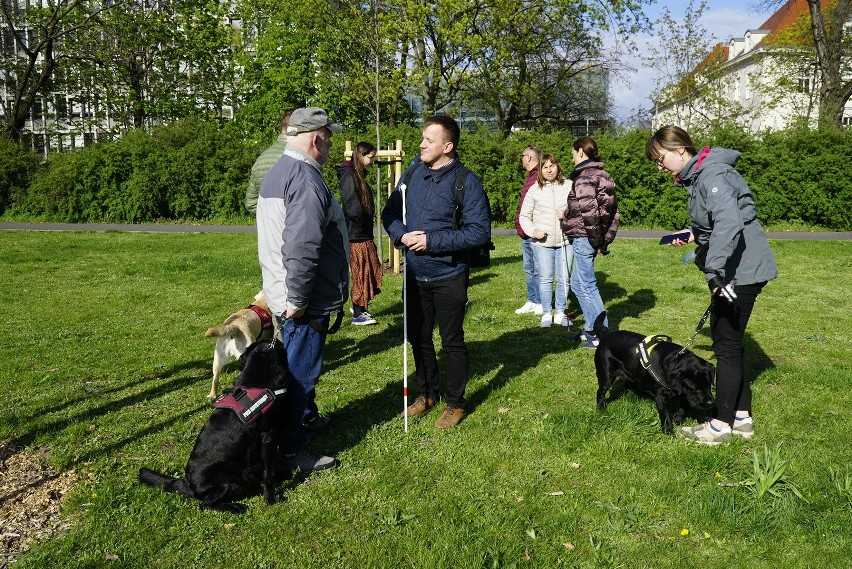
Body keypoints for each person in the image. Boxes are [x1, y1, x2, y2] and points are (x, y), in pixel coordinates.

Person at [646, 124, 778, 445]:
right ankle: (742, 417)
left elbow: (730, 222)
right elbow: (718, 220)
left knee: (726, 346)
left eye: (661, 158)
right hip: (739, 267)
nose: (659, 166)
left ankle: (720, 426)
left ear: (680, 150)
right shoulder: (702, 175)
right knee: (730, 343)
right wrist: (693, 235)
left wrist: (715, 269)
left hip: (740, 269)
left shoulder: (711, 175)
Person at [381, 115, 490, 429]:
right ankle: (426, 394)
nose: (421, 144)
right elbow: (390, 212)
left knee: (452, 342)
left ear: (448, 146)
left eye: (429, 140)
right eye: (422, 139)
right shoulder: (413, 173)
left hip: (449, 275)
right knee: (418, 338)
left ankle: (455, 404)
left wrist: (431, 242)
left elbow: (478, 232)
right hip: (414, 276)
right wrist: (400, 234)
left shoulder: (466, 181)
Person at [256, 107, 347, 470]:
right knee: (299, 374)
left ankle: (305, 418)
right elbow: (302, 246)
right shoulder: (306, 179)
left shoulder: (280, 170)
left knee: (296, 367)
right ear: (315, 139)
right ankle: (291, 451)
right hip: (302, 302)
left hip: (286, 292)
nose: (330, 145)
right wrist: (298, 299)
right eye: (328, 137)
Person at [560, 136, 620, 348]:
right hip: (590, 237)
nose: (572, 157)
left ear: (581, 152)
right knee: (578, 284)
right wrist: (604, 240)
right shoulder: (602, 174)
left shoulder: (585, 177)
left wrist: (597, 242)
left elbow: (590, 212)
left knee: (586, 285)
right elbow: (613, 211)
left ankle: (600, 334)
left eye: (573, 153)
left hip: (585, 237)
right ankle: (590, 328)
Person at [518, 153, 573, 328]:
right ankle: (547, 313)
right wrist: (534, 231)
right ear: (541, 170)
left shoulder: (570, 186)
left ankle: (561, 312)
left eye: (552, 165)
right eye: (545, 166)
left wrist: (566, 215)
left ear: (558, 167)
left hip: (566, 241)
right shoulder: (535, 189)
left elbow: (579, 211)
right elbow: (524, 216)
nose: (549, 169)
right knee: (545, 278)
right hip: (543, 244)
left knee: (564, 278)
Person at [337, 141, 383, 325]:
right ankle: (358, 312)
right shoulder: (349, 177)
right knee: (361, 273)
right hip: (355, 235)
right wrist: (361, 221)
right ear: (361, 156)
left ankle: (361, 306)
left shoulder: (356, 175)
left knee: (371, 270)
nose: (372, 161)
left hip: (362, 233)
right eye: (370, 157)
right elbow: (351, 206)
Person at [245, 109, 294, 215]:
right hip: (296, 226)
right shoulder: (300, 157)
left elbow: (251, 203)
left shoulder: (261, 158)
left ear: (281, 128)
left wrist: (268, 219)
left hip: (268, 228)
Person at [514, 146, 543, 316]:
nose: (522, 159)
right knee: (529, 267)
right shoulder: (531, 176)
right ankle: (532, 300)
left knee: (538, 268)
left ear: (530, 158)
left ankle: (540, 301)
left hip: (535, 231)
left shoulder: (539, 177)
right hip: (526, 231)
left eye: (522, 156)